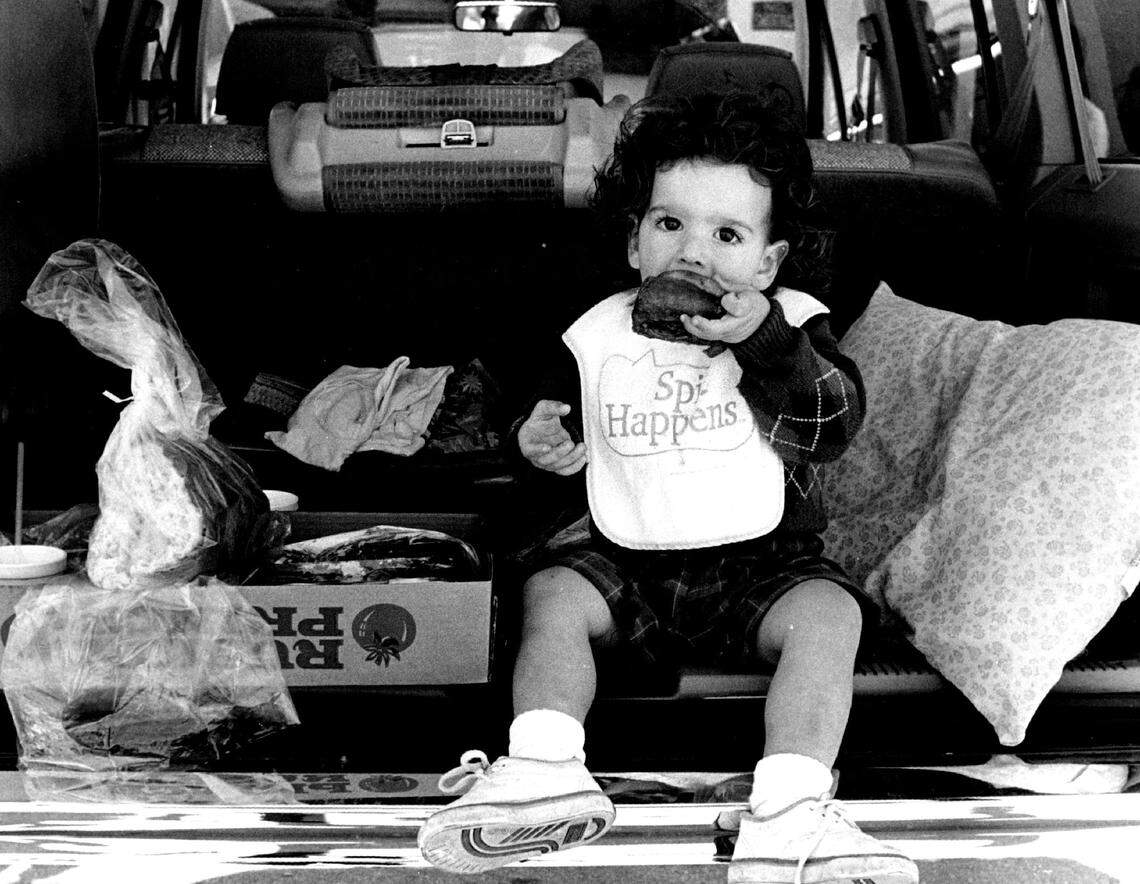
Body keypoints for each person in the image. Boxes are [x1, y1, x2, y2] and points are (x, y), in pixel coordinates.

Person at [418, 91, 919, 884]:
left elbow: (830, 427)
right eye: (669, 224)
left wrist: (766, 342)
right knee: (549, 595)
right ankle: (543, 768)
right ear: (633, 242)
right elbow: (548, 424)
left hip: (760, 566)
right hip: (625, 565)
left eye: (727, 234)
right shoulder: (594, 334)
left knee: (830, 614)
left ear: (768, 261)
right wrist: (535, 440)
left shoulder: (792, 326)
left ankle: (790, 808)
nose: (694, 251)